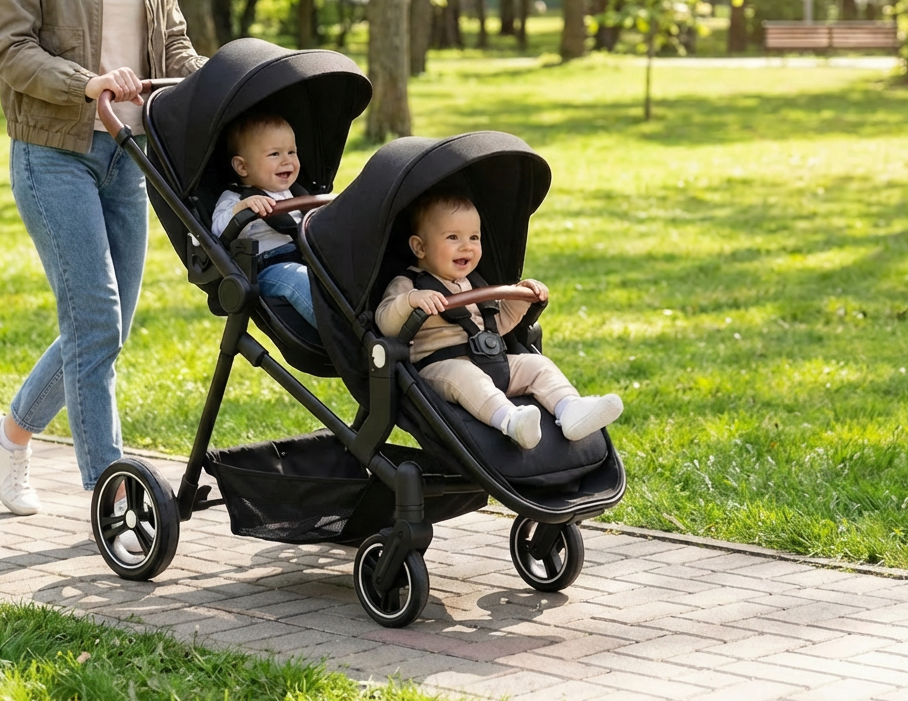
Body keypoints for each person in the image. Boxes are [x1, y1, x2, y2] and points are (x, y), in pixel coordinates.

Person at [0, 0, 207, 515]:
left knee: (104, 328)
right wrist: (87, 83)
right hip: (56, 152)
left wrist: (224, 87)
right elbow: (13, 52)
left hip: (130, 156)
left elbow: (170, 41)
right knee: (97, 323)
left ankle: (10, 435)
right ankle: (110, 496)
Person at [376, 192, 623, 449]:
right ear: (420, 247)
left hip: (492, 361)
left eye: (474, 237)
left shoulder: (476, 284)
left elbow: (497, 325)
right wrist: (411, 301)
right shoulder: (408, 284)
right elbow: (385, 323)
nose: (466, 246)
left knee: (538, 365)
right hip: (440, 368)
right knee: (467, 376)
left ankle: (569, 408)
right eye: (453, 237)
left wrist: (519, 297)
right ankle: (510, 420)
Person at [211, 113, 317, 328]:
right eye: (275, 154)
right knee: (298, 280)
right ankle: (343, 332)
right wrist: (241, 210)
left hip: (308, 258)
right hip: (268, 267)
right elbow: (217, 231)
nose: (287, 160)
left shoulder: (296, 193)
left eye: (292, 152)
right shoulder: (236, 198)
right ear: (242, 167)